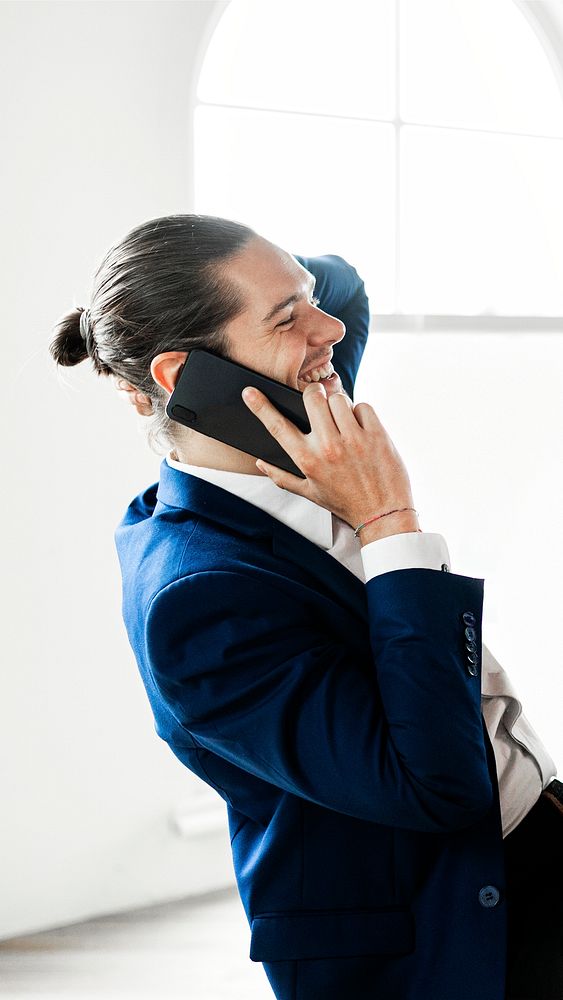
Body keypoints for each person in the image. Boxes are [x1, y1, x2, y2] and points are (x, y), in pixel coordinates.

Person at [49, 214, 562, 1000]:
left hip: (536, 836)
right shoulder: (199, 598)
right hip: (446, 935)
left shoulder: (296, 402)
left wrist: (271, 281)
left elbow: (343, 285)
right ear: (183, 378)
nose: (329, 330)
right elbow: (437, 789)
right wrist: (387, 520)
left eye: (306, 300)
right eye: (288, 318)